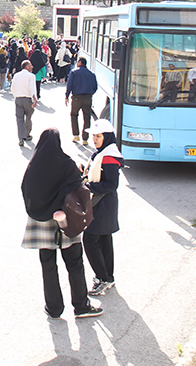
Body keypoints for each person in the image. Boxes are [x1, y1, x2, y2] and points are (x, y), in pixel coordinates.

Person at [20, 128, 103, 320]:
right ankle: (81, 306)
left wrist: (41, 210)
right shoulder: (67, 165)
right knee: (75, 263)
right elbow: (78, 189)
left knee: (48, 266)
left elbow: (26, 191)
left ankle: (54, 308)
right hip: (66, 221)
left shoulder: (33, 167)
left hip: (41, 222)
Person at [82, 119, 124, 297]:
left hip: (102, 205)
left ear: (107, 137)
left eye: (98, 136)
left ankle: (102, 277)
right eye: (93, 136)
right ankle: (108, 277)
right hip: (102, 203)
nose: (95, 139)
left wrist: (88, 186)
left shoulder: (108, 156)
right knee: (104, 240)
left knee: (90, 240)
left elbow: (111, 184)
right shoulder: (102, 152)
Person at [65, 57, 98, 145]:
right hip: (88, 97)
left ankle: (76, 135)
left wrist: (67, 96)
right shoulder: (91, 74)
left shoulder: (74, 72)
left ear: (79, 62)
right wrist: (90, 94)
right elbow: (95, 87)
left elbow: (70, 84)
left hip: (76, 97)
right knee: (87, 117)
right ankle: (85, 139)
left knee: (74, 115)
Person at [11, 60, 38, 147]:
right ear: (26, 66)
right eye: (30, 65)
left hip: (18, 99)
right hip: (28, 99)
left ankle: (21, 138)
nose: (32, 66)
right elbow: (32, 88)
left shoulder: (16, 75)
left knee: (19, 119)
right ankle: (27, 134)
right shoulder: (31, 76)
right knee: (28, 118)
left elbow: (13, 87)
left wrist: (16, 96)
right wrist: (34, 100)